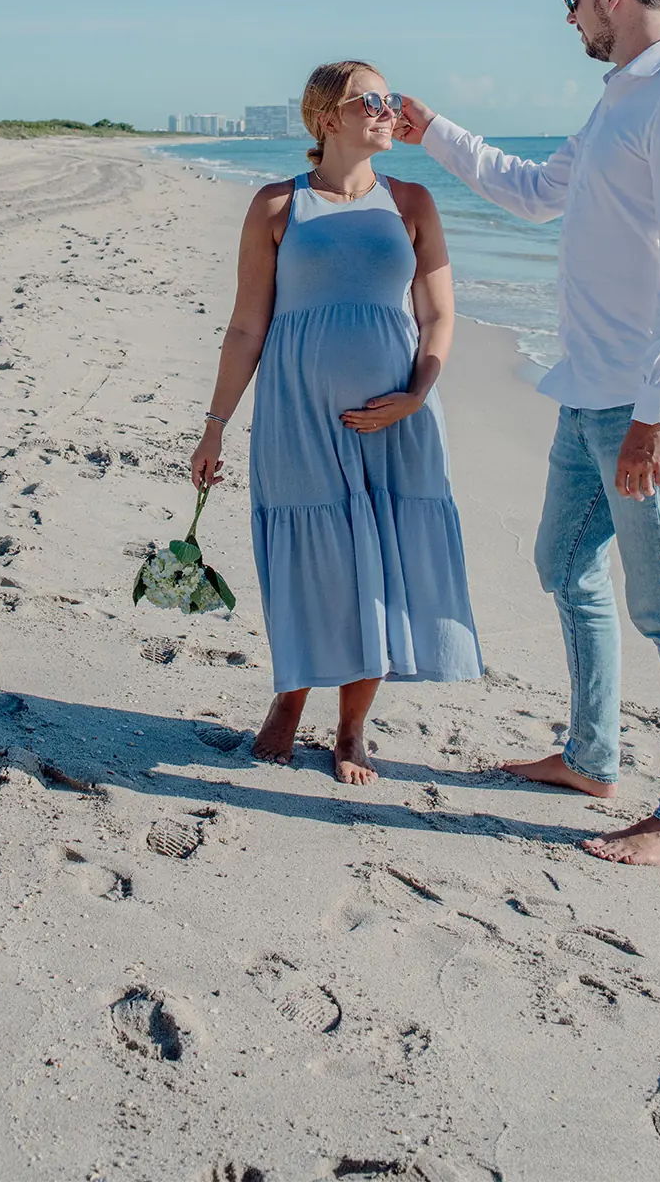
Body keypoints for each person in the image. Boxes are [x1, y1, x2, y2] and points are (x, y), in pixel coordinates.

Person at [395, 0, 660, 865]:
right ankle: (592, 759)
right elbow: (537, 192)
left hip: (645, 401)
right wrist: (435, 134)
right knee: (562, 562)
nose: (570, 16)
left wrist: (654, 415)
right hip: (589, 392)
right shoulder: (619, 101)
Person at [190, 60, 483, 785]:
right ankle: (288, 704)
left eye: (389, 98)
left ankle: (353, 730)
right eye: (370, 101)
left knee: (378, 563)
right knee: (307, 563)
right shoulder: (276, 206)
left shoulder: (411, 201)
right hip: (296, 415)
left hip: (396, 420)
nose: (388, 110)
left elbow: (439, 315)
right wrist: (215, 425)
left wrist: (417, 394)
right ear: (327, 118)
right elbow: (246, 329)